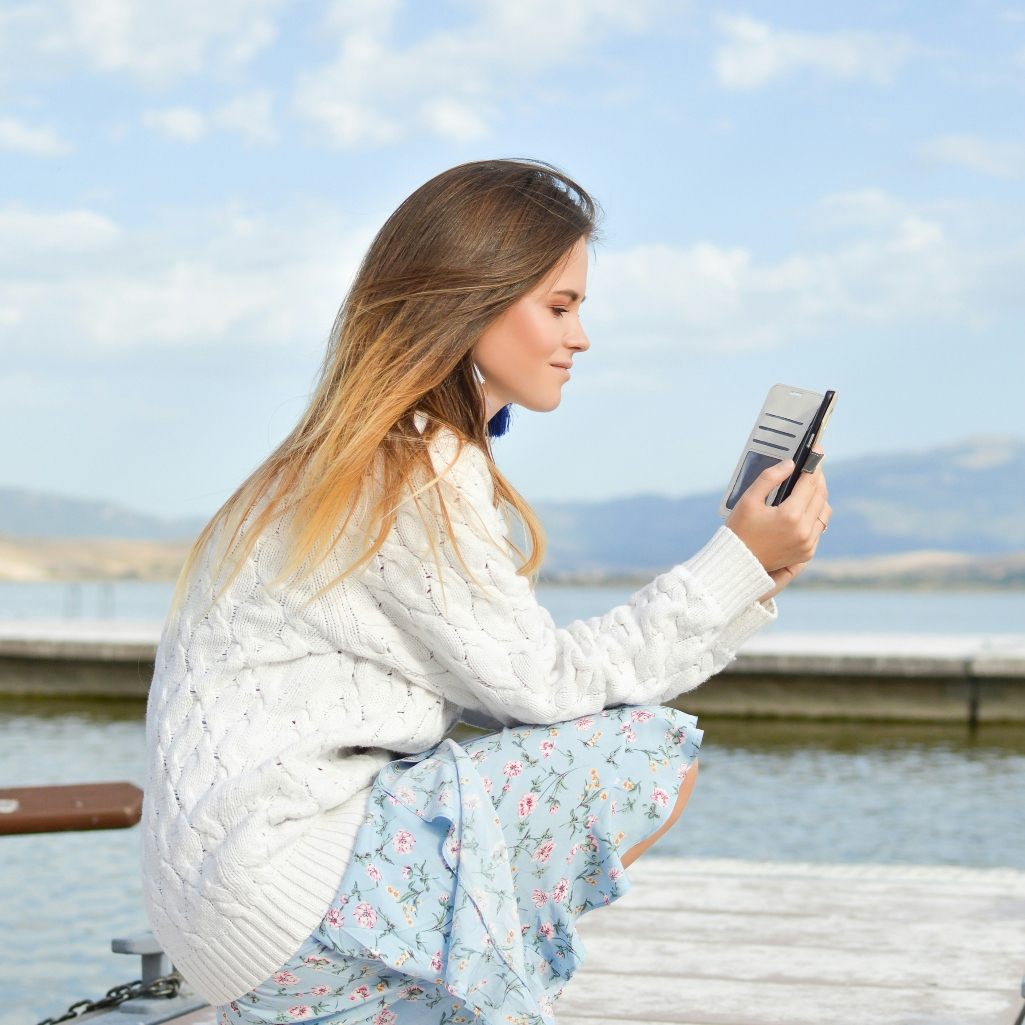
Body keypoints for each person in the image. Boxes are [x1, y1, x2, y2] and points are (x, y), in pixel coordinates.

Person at [141, 159, 830, 1025]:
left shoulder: (343, 458)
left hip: (228, 907)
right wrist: (732, 560)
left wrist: (746, 573)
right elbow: (546, 689)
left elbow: (511, 690)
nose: (580, 337)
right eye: (560, 304)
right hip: (281, 900)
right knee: (643, 750)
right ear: (469, 300)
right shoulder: (410, 468)